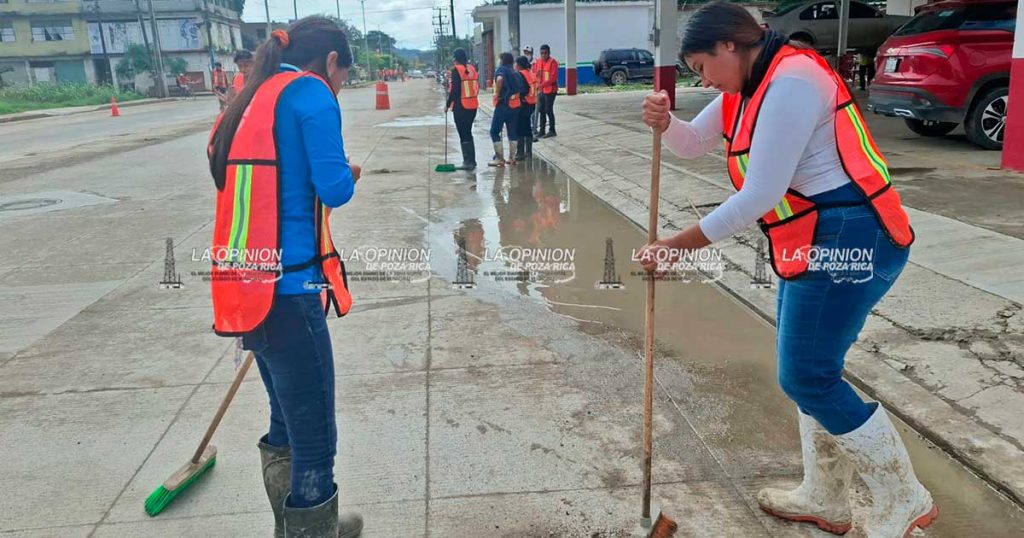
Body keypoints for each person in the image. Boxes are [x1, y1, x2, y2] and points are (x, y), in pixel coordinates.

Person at [638, 3, 935, 537]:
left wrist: (676, 245)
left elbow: (761, 194)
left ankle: (904, 498)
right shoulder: (745, 85)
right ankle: (826, 497)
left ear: (729, 45)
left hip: (852, 237)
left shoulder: (793, 80)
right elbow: (691, 144)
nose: (701, 78)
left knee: (807, 375)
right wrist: (666, 122)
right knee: (810, 375)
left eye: (701, 66)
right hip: (811, 237)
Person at [207, 17, 364, 538]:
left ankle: (288, 524)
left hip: (245, 288)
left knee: (285, 420)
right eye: (344, 73)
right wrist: (347, 172)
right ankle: (314, 530)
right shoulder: (311, 94)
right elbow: (335, 187)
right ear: (332, 62)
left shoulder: (249, 96)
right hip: (293, 293)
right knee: (315, 436)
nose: (340, 83)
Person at [445, 48, 479, 170]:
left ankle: (468, 161)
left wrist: (448, 104)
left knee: (463, 133)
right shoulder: (472, 69)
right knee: (468, 132)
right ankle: (472, 160)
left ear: (455, 59)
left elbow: (454, 91)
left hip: (461, 106)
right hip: (473, 104)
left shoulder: (456, 70)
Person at [489, 52, 524, 167]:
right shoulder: (515, 72)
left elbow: (499, 80)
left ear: (502, 60)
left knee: (494, 131)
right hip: (516, 106)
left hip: (504, 105)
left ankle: (499, 159)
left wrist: (497, 93)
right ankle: (512, 158)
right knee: (512, 132)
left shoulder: (501, 70)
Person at [514, 55, 538, 160]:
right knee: (527, 126)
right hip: (532, 103)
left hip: (524, 104)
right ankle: (528, 152)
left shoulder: (520, 74)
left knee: (520, 127)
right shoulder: (531, 73)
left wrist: (522, 97)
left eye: (516, 64)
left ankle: (520, 153)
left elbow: (523, 89)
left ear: (519, 65)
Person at [534, 44, 559, 138]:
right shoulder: (538, 62)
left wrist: (541, 85)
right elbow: (536, 74)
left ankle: (552, 130)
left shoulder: (553, 62)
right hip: (542, 90)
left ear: (549, 53)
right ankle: (542, 131)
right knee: (541, 110)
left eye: (545, 53)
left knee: (548, 109)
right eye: (541, 53)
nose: (543, 55)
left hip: (551, 90)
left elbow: (552, 78)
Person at [523, 45, 539, 140]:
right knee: (528, 114)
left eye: (528, 53)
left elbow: (537, 76)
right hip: (527, 93)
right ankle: (530, 132)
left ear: (532, 53)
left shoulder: (536, 63)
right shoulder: (523, 63)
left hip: (535, 91)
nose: (526, 55)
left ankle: (533, 132)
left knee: (534, 114)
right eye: (525, 53)